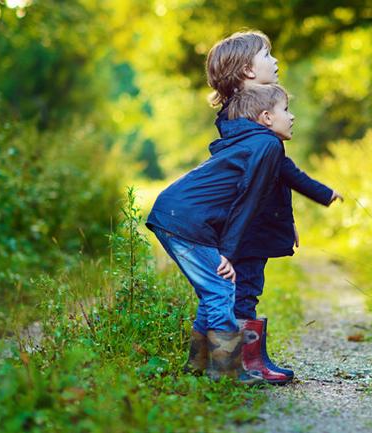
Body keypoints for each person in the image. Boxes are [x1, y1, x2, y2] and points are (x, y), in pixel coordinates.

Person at [204, 31, 342, 385]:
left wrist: (289, 218)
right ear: (247, 71)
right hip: (242, 228)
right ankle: (234, 367)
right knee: (242, 292)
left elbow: (274, 180)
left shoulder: (242, 120)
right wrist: (323, 194)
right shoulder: (252, 127)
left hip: (250, 225)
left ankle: (241, 361)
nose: (276, 62)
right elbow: (271, 177)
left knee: (245, 290)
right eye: (267, 55)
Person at [146, 83, 295, 385]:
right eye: (286, 110)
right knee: (221, 288)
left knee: (213, 290)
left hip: (176, 216)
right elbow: (246, 202)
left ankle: (197, 366)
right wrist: (227, 250)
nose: (291, 117)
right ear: (266, 116)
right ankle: (228, 371)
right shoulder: (265, 145)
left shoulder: (252, 144)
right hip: (183, 220)